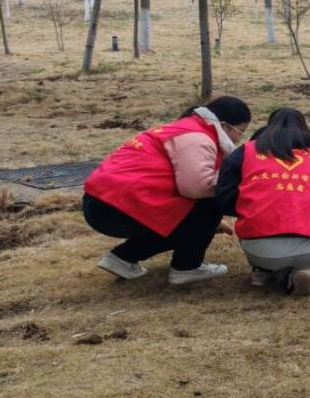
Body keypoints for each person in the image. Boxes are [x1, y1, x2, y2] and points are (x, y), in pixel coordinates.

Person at [83, 96, 252, 285]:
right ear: (226, 126)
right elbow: (197, 188)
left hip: (101, 201)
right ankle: (187, 267)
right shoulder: (198, 138)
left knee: (197, 214)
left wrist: (209, 225)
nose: (239, 139)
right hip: (118, 207)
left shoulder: (182, 128)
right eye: (241, 132)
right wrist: (209, 220)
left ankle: (123, 258)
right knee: (211, 202)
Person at [215, 108, 310, 296]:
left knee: (264, 243)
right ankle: (301, 268)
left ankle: (262, 269)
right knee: (302, 252)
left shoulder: (246, 152)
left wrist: (252, 208)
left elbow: (223, 197)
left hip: (259, 249)